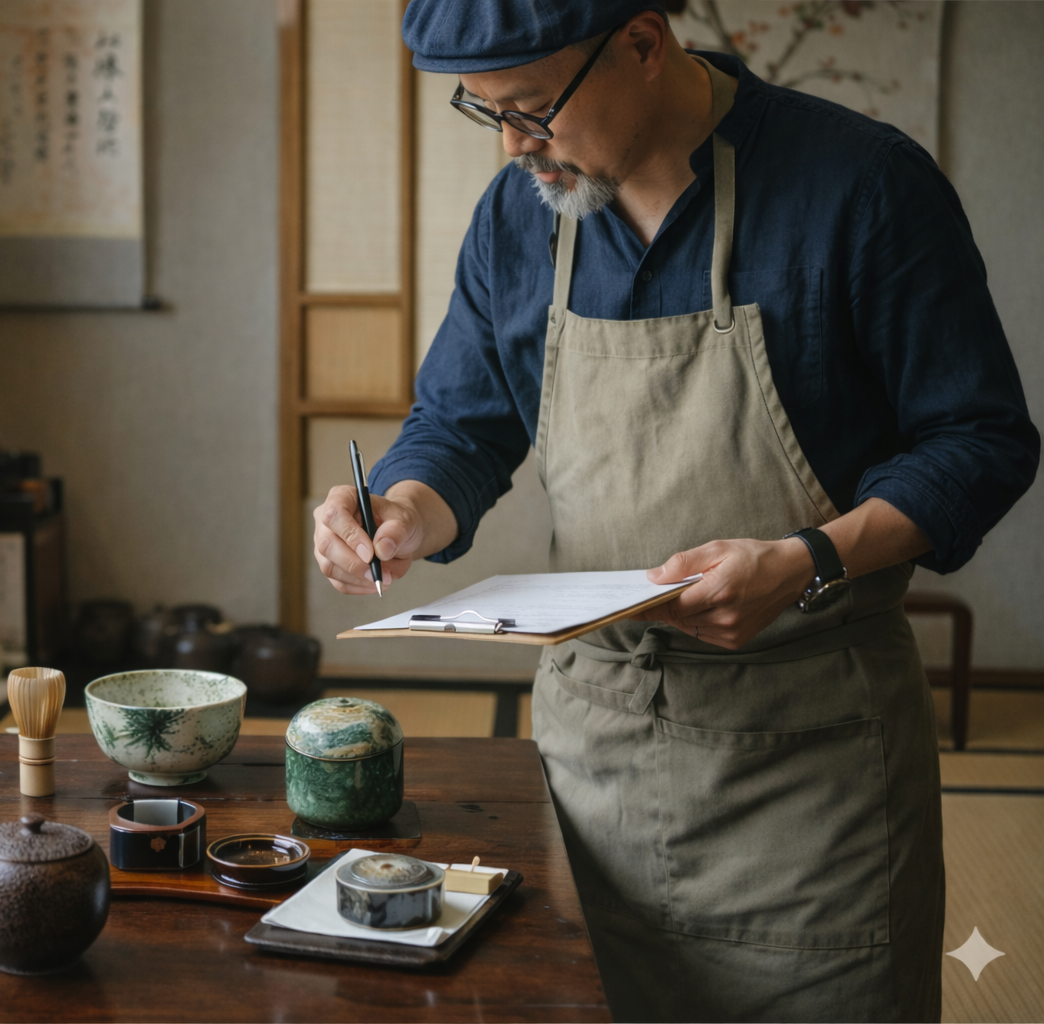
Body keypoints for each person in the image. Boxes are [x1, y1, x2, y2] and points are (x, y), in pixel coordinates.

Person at [310, 1, 1039, 1019]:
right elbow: (465, 425)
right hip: (592, 770)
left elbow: (981, 438)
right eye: (489, 115)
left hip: (811, 782)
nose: (518, 146)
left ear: (644, 45)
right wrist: (399, 509)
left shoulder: (860, 186)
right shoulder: (520, 217)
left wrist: (808, 559)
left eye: (533, 109)